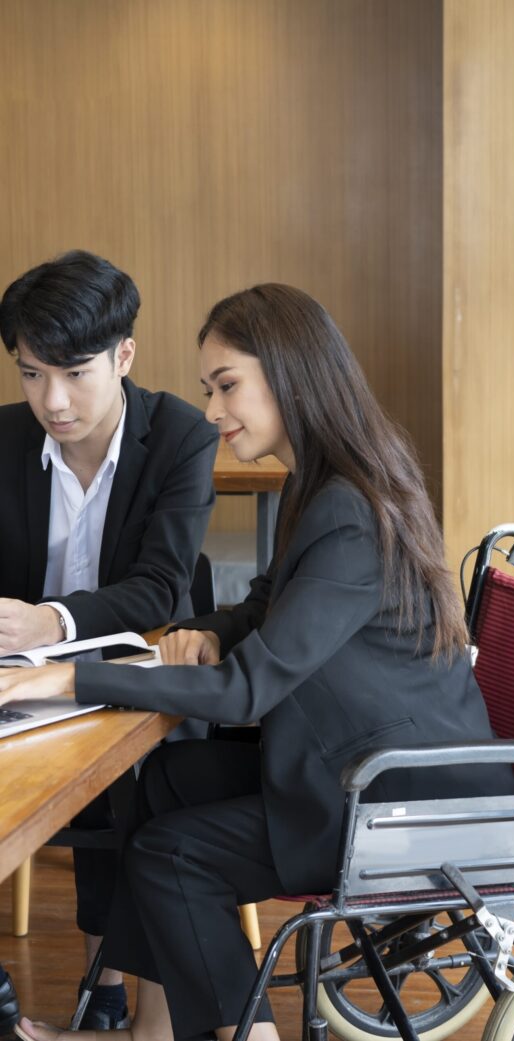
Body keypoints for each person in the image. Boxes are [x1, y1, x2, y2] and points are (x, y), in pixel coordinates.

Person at [0, 283, 514, 1041]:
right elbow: (267, 606)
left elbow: (247, 691)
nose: (211, 410)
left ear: (289, 372)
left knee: (173, 857)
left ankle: (251, 1035)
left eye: (227, 385)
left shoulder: (348, 509)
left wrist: (65, 676)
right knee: (166, 780)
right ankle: (153, 1029)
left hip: (396, 793)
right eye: (210, 389)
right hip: (346, 761)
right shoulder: (326, 481)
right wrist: (211, 628)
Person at [0, 251, 218, 1034]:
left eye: (74, 373)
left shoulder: (182, 436)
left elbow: (161, 588)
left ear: (124, 355)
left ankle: (111, 994)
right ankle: (99, 994)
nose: (51, 400)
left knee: (136, 791)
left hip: (148, 679)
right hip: (24, 683)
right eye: (30, 374)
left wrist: (51, 621)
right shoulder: (3, 440)